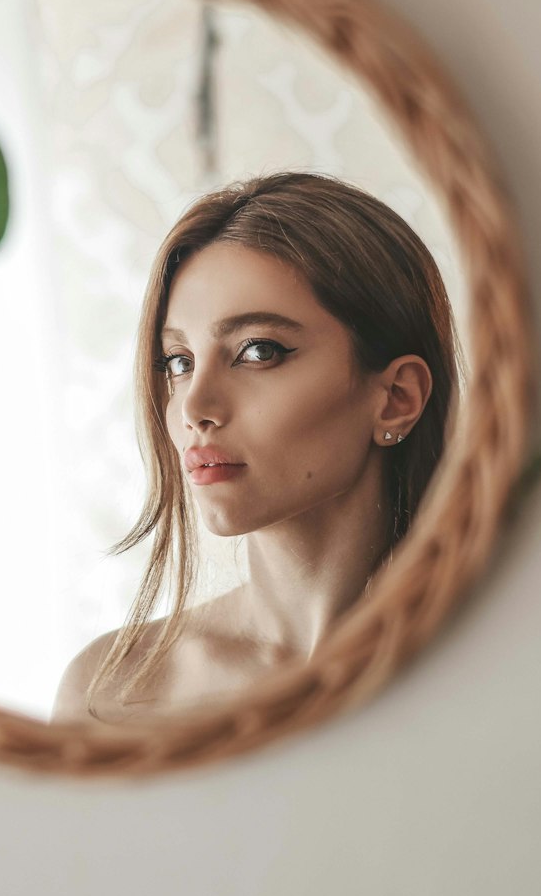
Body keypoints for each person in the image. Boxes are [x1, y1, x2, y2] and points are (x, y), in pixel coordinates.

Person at [51, 170, 464, 724]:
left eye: (257, 351)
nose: (195, 406)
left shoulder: (496, 659)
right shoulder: (104, 696)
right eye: (179, 361)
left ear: (396, 397)